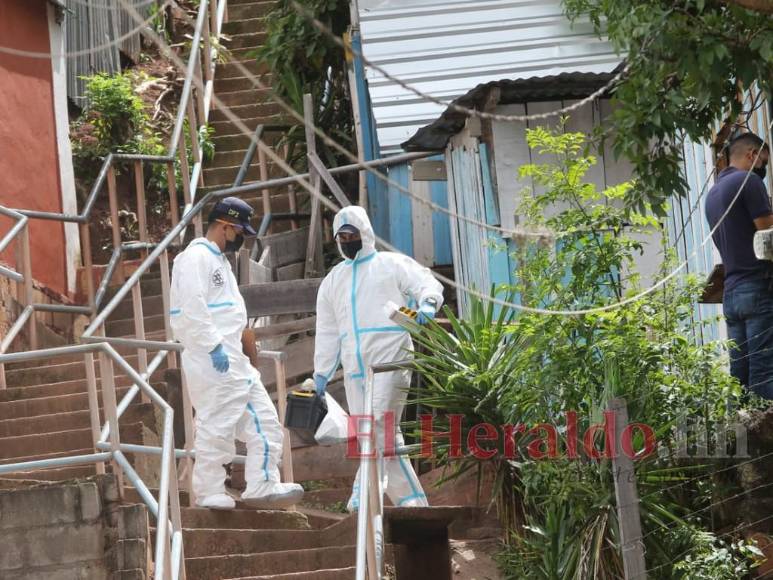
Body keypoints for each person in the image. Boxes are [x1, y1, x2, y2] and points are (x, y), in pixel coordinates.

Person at [170, 197, 304, 509]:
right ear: (226, 226)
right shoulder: (195, 259)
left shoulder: (220, 261)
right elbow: (191, 307)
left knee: (266, 421)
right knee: (216, 424)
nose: (242, 238)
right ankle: (208, 491)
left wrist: (239, 351)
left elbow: (231, 315)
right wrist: (213, 345)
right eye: (240, 231)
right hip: (211, 358)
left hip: (233, 360)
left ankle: (262, 484)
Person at [313, 205, 444, 511]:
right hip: (355, 367)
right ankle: (413, 503)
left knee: (375, 425)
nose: (346, 240)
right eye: (340, 236)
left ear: (365, 233)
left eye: (351, 234)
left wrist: (426, 305)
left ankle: (364, 494)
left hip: (390, 358)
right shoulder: (333, 280)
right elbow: (327, 330)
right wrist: (321, 373)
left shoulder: (390, 264)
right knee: (379, 434)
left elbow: (426, 283)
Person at [705, 132, 773, 399]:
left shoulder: (713, 194)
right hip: (757, 287)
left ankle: (741, 437)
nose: (763, 169)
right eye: (763, 161)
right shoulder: (749, 182)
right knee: (764, 373)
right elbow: (768, 237)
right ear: (751, 155)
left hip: (732, 294)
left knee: (740, 378)